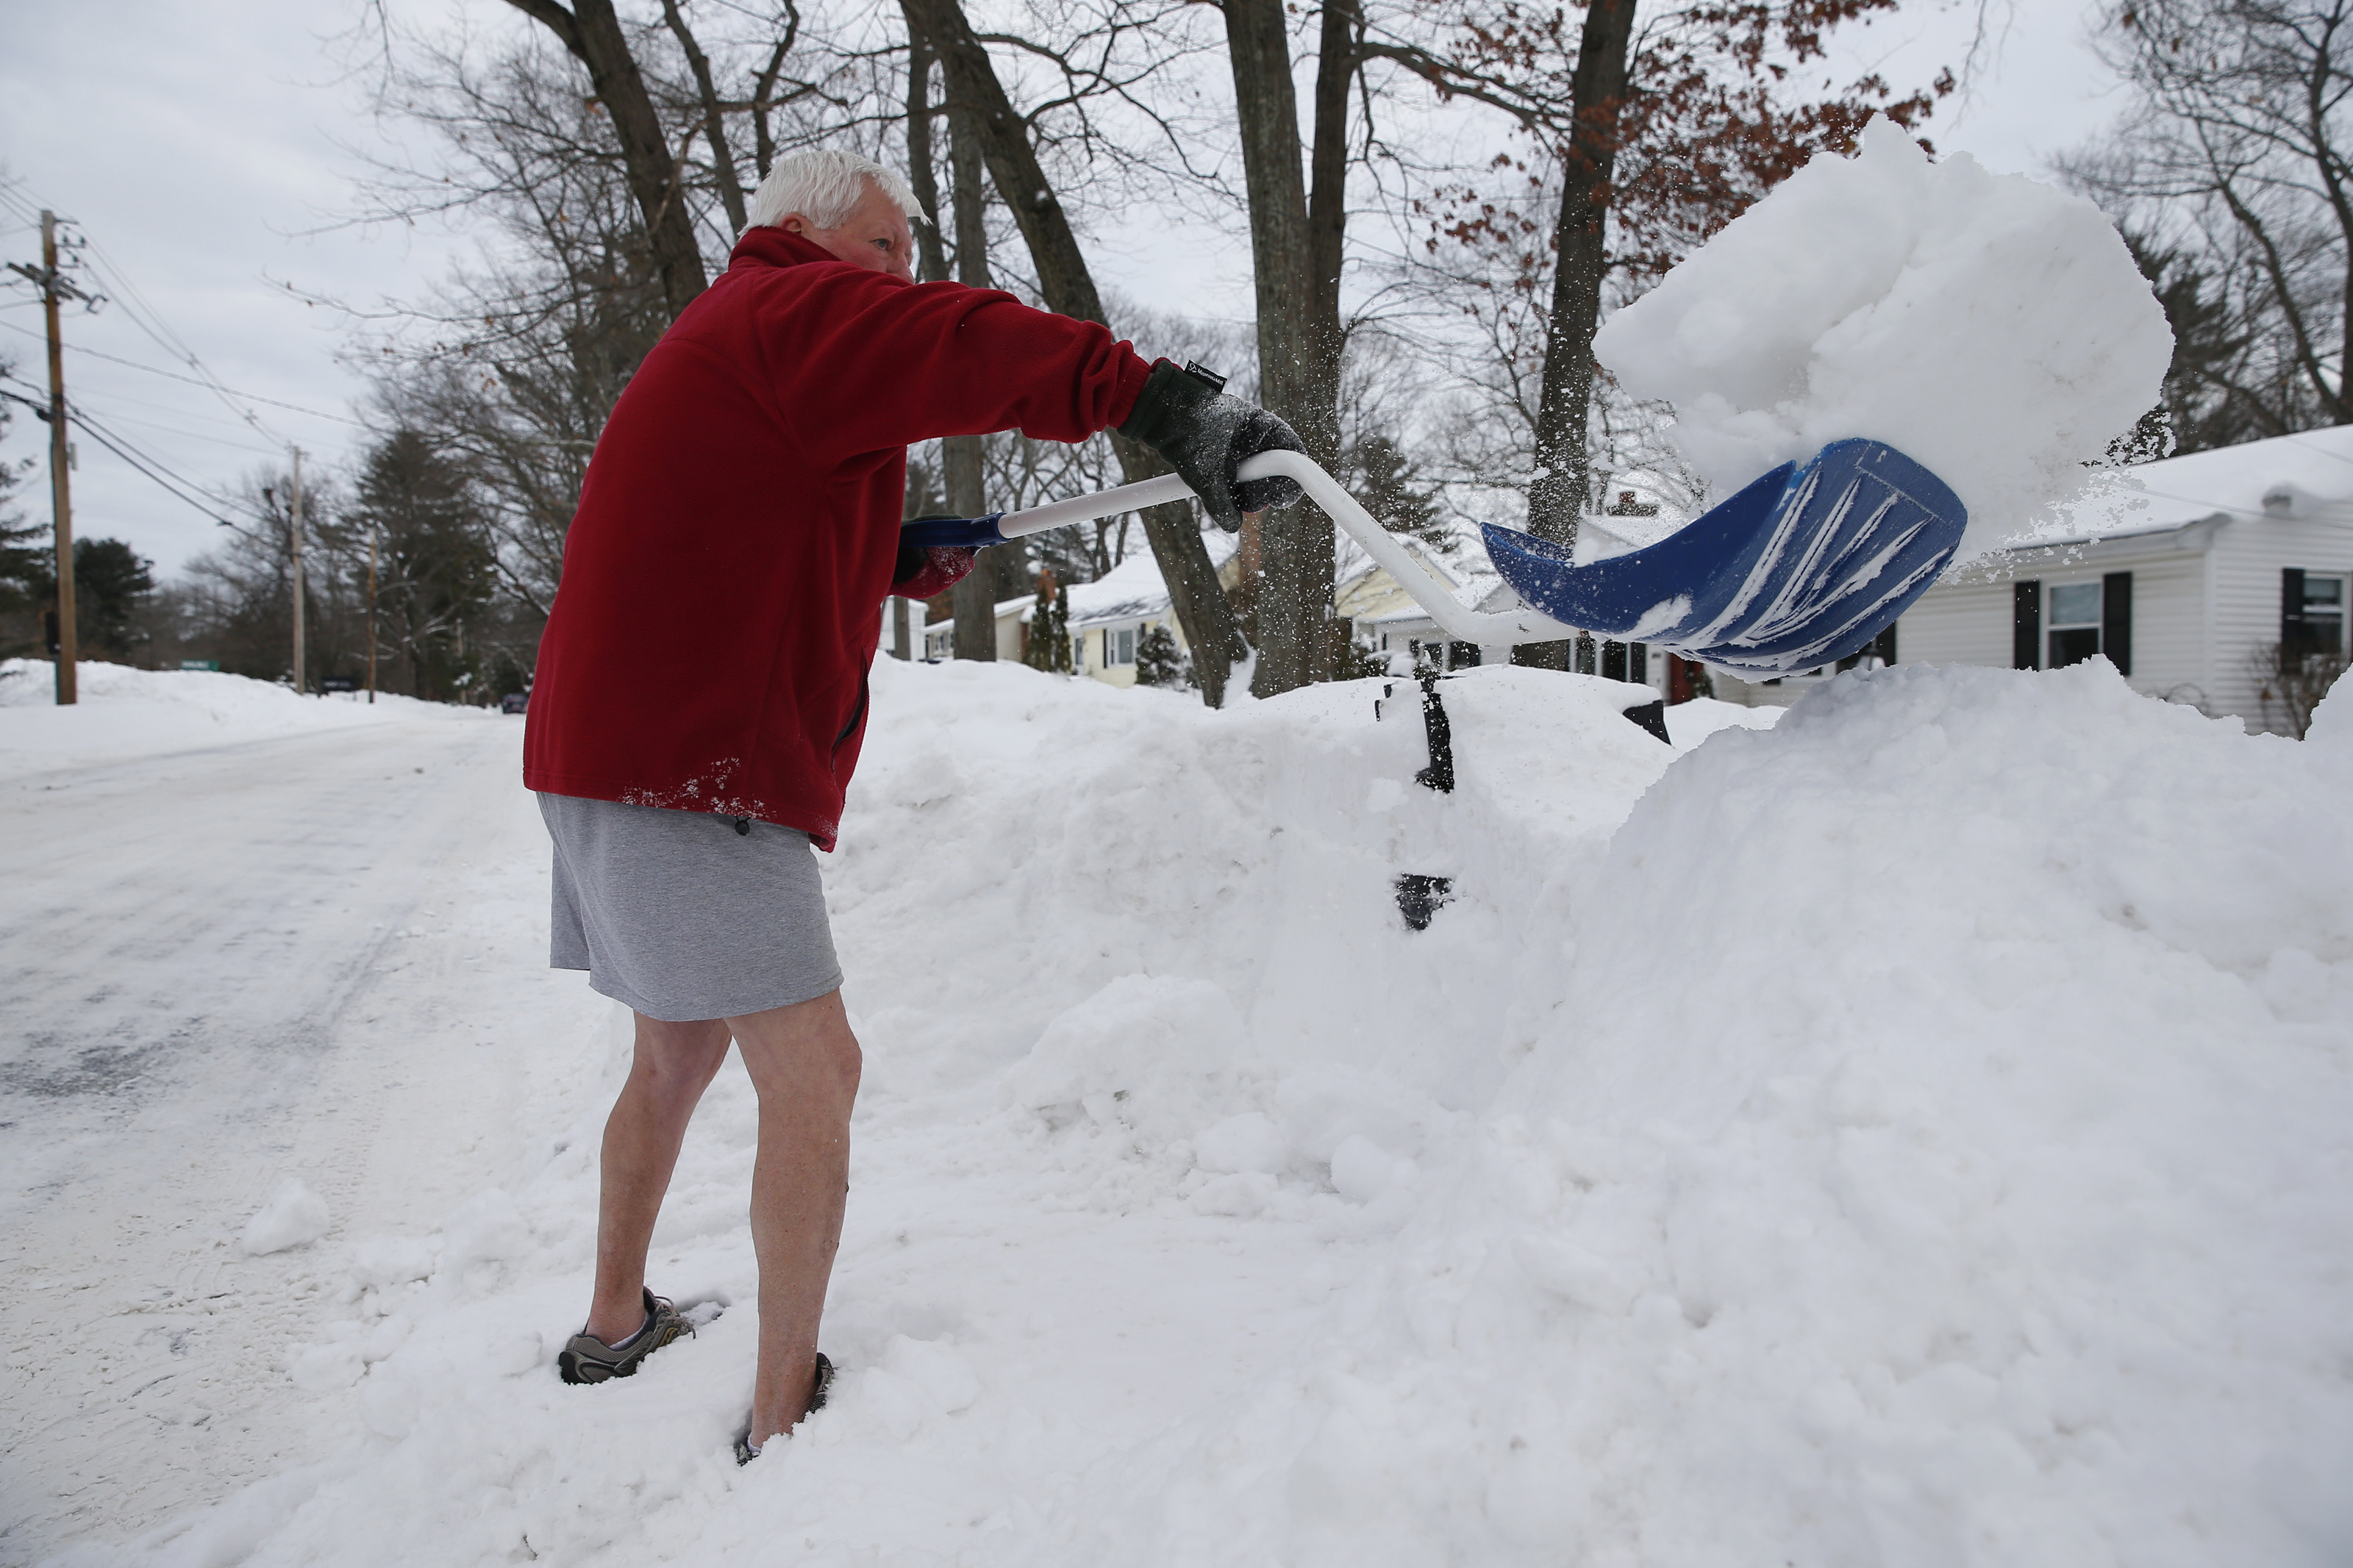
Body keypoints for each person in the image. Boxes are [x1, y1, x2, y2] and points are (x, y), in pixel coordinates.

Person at [521, 148, 1301, 1461]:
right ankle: (781, 1414)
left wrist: (876, 552)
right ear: (816, 237)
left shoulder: (735, 338)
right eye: (889, 247)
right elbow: (962, 342)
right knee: (817, 1072)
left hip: (610, 754)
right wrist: (1166, 404)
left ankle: (614, 1323)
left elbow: (728, 522)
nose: (907, 273)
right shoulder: (793, 307)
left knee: (678, 1051)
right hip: (693, 768)